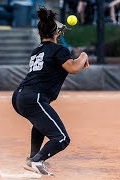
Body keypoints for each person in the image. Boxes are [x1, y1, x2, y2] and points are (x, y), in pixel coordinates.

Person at [11, 7, 89, 176]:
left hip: (19, 96)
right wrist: (83, 55)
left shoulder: (37, 50)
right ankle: (36, 161)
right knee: (61, 138)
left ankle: (33, 158)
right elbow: (74, 68)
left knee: (39, 125)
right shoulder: (59, 50)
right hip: (34, 97)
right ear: (55, 32)